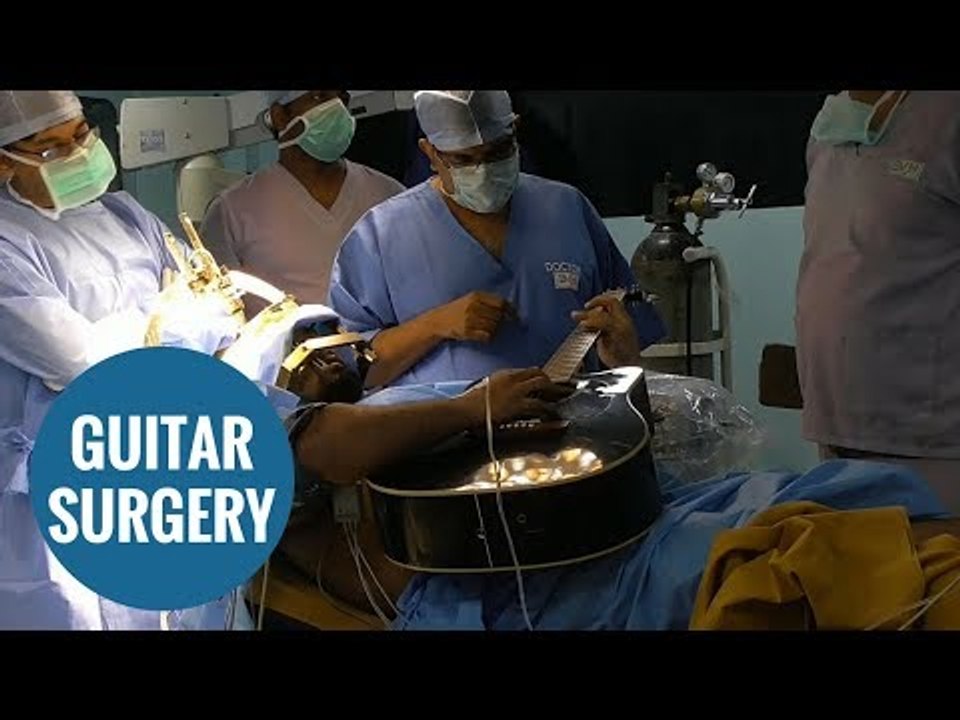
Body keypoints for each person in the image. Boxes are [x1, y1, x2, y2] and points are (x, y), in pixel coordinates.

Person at [0, 90, 248, 630]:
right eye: (51, 148)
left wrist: (182, 320)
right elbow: (76, 361)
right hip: (67, 480)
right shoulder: (6, 242)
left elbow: (216, 302)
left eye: (82, 134)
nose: (78, 153)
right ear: (4, 161)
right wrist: (177, 323)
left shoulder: (125, 213)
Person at [328, 90, 666, 389]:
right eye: (463, 160)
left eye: (498, 152)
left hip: (571, 439)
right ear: (430, 153)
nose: (484, 169)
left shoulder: (566, 208)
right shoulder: (381, 235)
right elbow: (358, 371)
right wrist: (435, 325)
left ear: (515, 130)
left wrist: (624, 349)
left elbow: (626, 329)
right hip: (445, 445)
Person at [796, 90, 960, 514]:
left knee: (931, 573)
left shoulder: (945, 116)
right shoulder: (830, 129)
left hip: (933, 438)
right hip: (837, 422)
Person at [200, 91, 406, 316]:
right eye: (319, 97)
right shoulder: (231, 211)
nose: (336, 108)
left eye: (343, 99)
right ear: (279, 116)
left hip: (382, 348)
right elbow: (218, 318)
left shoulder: (389, 196)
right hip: (287, 350)